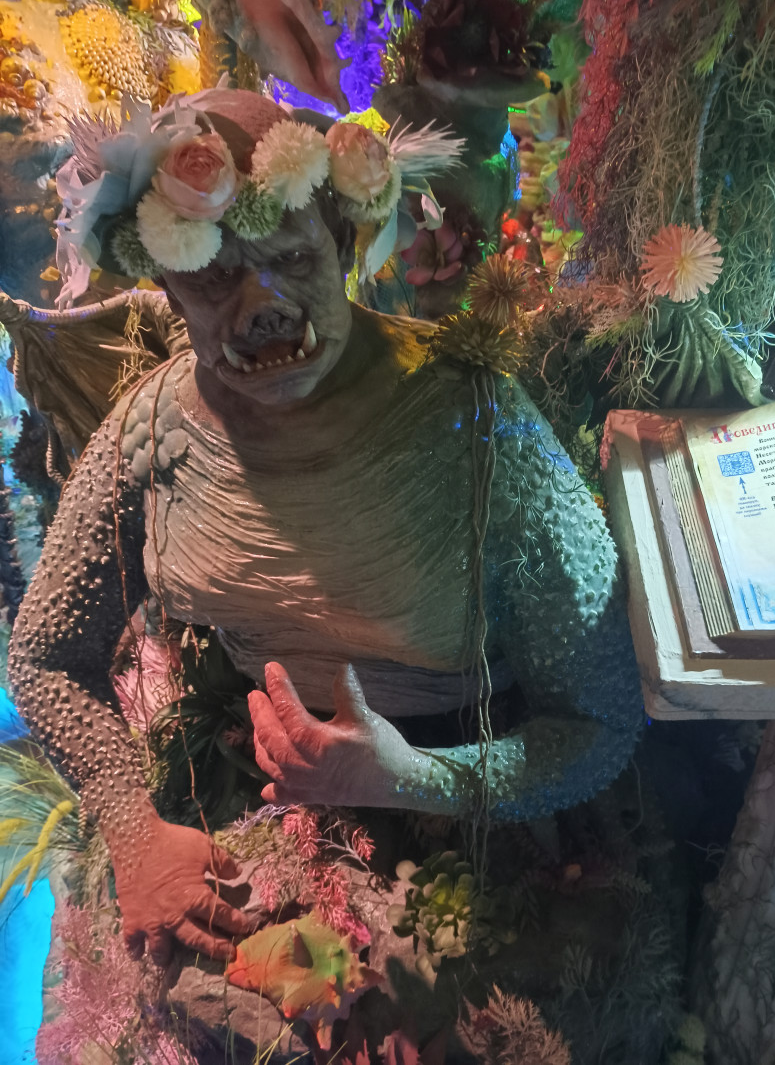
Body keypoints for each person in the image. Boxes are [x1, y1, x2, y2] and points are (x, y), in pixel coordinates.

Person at [8, 88, 642, 965]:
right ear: (166, 285)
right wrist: (132, 828)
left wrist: (417, 777)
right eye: (214, 275)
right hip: (239, 785)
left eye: (293, 258)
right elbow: (42, 660)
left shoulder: (477, 426)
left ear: (344, 243)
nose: (260, 303)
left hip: (469, 805)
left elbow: (602, 721)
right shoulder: (151, 433)